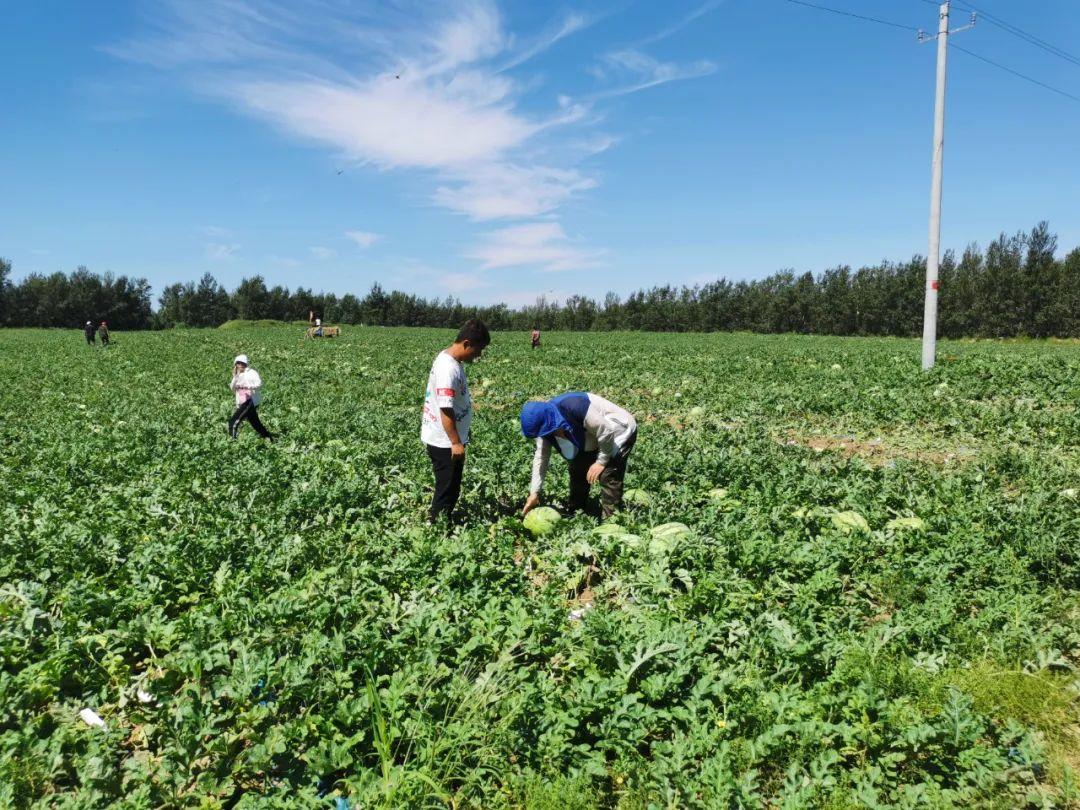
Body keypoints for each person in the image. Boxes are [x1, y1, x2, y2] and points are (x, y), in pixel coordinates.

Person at [520, 392, 637, 520]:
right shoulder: (543, 426)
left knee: (608, 474)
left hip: (617, 430)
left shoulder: (574, 406)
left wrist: (601, 462)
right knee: (577, 468)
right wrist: (534, 493)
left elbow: (605, 430)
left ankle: (611, 521)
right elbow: (541, 458)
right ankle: (577, 513)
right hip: (592, 436)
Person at [420, 318, 490, 524]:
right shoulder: (447, 369)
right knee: (447, 487)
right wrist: (455, 442)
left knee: (451, 484)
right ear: (466, 343)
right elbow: (445, 408)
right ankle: (438, 526)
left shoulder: (450, 360)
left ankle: (443, 519)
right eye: (478, 349)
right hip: (444, 441)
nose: (479, 355)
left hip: (448, 437)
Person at [228, 354, 274, 441]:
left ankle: (232, 442)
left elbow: (259, 383)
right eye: (238, 363)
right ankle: (269, 438)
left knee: (233, 422)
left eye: (242, 363)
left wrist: (249, 386)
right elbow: (232, 388)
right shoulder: (237, 375)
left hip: (250, 401)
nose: (240, 365)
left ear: (246, 364)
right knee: (255, 423)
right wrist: (235, 377)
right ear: (235, 364)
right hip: (241, 402)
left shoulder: (251, 372)